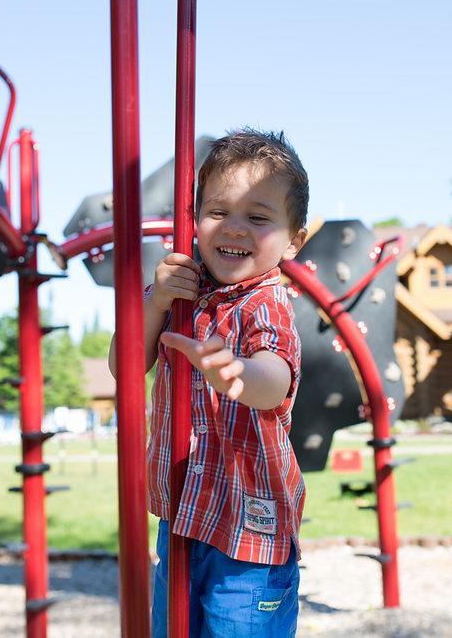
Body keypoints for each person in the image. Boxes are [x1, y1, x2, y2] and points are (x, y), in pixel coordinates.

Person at [109, 128, 309, 636]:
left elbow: (275, 376)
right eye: (218, 212)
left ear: (294, 240)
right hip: (181, 514)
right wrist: (154, 303)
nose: (235, 229)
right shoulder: (177, 291)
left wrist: (239, 374)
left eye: (258, 218)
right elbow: (123, 365)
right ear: (194, 220)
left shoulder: (265, 303)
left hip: (250, 530)